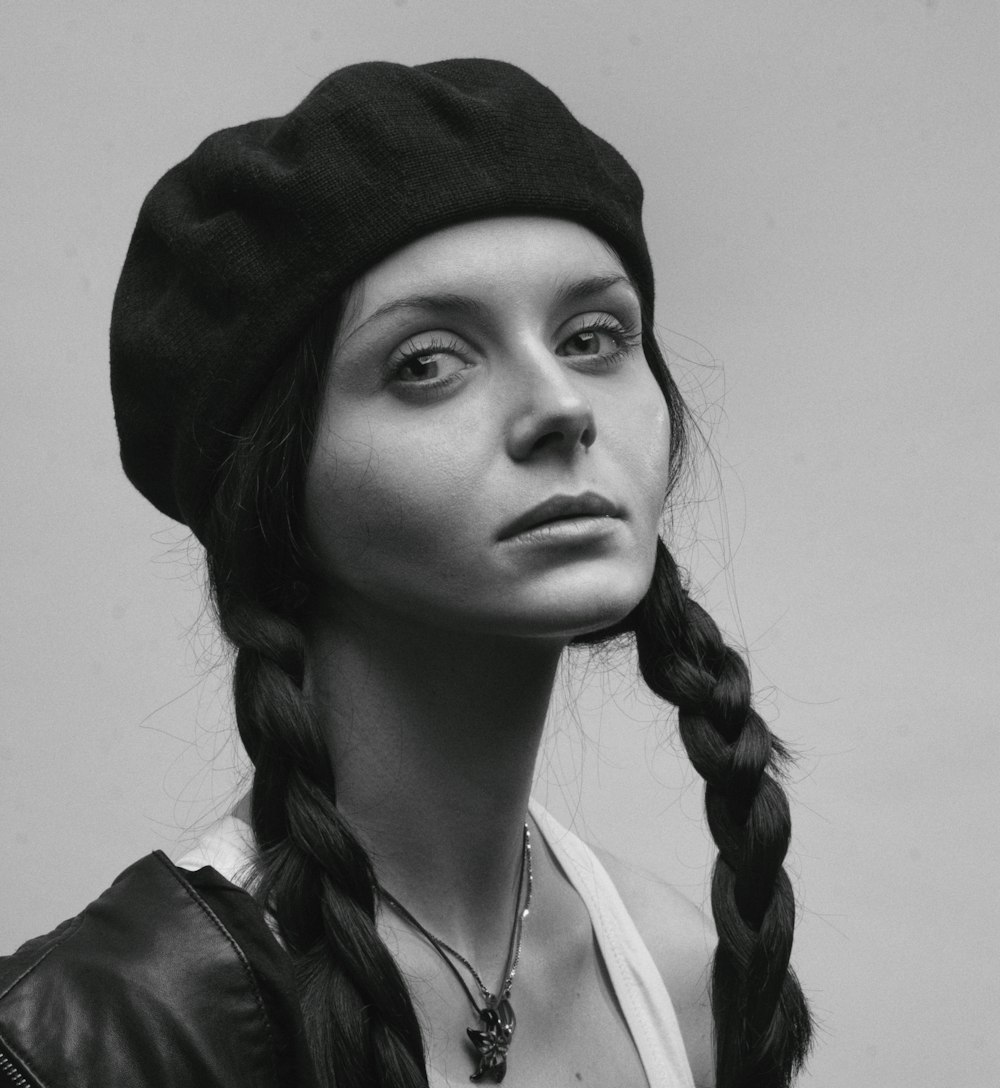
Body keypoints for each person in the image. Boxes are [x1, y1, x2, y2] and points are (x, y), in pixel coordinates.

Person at [0, 59, 812, 1088]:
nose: (562, 404)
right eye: (428, 360)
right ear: (275, 482)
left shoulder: (685, 979)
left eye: (595, 335)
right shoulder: (100, 1035)